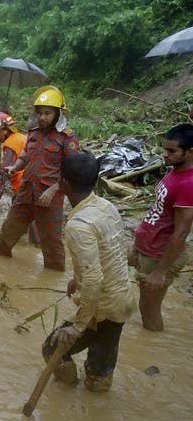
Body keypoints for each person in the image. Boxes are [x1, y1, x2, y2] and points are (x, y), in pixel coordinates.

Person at [42, 153, 134, 392]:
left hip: (101, 307)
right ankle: (96, 406)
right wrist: (77, 279)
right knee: (100, 368)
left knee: (52, 347)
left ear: (63, 182)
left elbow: (93, 280)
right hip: (122, 299)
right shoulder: (106, 206)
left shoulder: (78, 226)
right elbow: (112, 252)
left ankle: (66, 391)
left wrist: (77, 326)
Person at [0, 86, 80, 271]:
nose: (42, 117)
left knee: (51, 241)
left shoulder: (67, 137)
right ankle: (0, 265)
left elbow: (72, 169)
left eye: (47, 113)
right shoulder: (33, 132)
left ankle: (54, 276)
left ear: (58, 114)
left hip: (50, 197)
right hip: (26, 190)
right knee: (9, 230)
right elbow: (25, 156)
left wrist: (53, 190)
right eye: (40, 113)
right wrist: (14, 167)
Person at [129, 123, 193, 331]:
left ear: (189, 152)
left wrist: (161, 271)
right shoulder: (175, 172)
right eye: (164, 148)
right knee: (143, 303)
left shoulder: (189, 184)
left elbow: (182, 231)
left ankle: (152, 347)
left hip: (159, 255)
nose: (164, 154)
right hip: (147, 247)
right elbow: (158, 212)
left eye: (171, 151)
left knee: (149, 308)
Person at [0, 112, 40, 245]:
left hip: (23, 184)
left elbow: (4, 172)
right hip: (32, 181)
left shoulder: (10, 144)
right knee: (29, 213)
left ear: (5, 130)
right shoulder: (20, 137)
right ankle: (31, 241)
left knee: (26, 216)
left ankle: (35, 244)